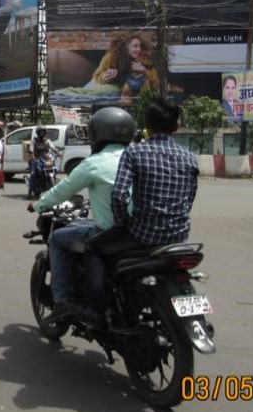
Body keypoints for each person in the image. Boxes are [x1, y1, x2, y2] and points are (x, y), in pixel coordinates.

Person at [83, 99, 200, 321]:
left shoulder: (136, 153)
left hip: (142, 234)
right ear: (175, 126)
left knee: (93, 249)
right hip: (178, 236)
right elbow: (189, 198)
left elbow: (119, 196)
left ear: (146, 126)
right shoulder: (189, 157)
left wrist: (123, 224)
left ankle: (96, 310)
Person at [29, 107, 136, 324]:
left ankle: (63, 301)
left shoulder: (94, 163)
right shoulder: (140, 157)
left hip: (111, 232)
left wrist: (39, 204)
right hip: (142, 230)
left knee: (57, 239)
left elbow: (63, 190)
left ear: (96, 135)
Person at [90, 34, 160, 101]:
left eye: (140, 46)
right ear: (125, 47)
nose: (139, 49)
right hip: (114, 89)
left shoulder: (143, 58)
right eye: (135, 46)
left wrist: (143, 70)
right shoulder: (111, 57)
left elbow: (155, 81)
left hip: (135, 93)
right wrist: (105, 76)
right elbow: (96, 76)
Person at [27, 126, 57, 199]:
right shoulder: (34, 140)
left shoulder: (47, 140)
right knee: (33, 173)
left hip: (45, 159)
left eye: (43, 132)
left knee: (54, 168)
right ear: (37, 133)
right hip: (36, 159)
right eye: (40, 132)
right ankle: (30, 191)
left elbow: (52, 147)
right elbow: (31, 149)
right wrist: (33, 156)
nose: (42, 133)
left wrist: (57, 152)